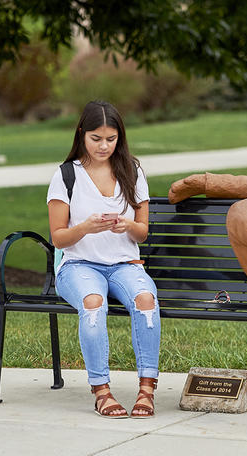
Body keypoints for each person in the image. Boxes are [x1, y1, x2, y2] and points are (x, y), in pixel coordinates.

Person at [46, 101, 160, 418]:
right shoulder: (66, 176)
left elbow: (142, 232)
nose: (104, 146)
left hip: (125, 265)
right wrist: (84, 228)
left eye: (111, 139)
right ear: (82, 134)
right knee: (94, 302)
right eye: (96, 138)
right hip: (78, 266)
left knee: (146, 300)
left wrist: (128, 225)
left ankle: (147, 389)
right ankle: (102, 391)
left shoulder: (132, 171)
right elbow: (58, 237)